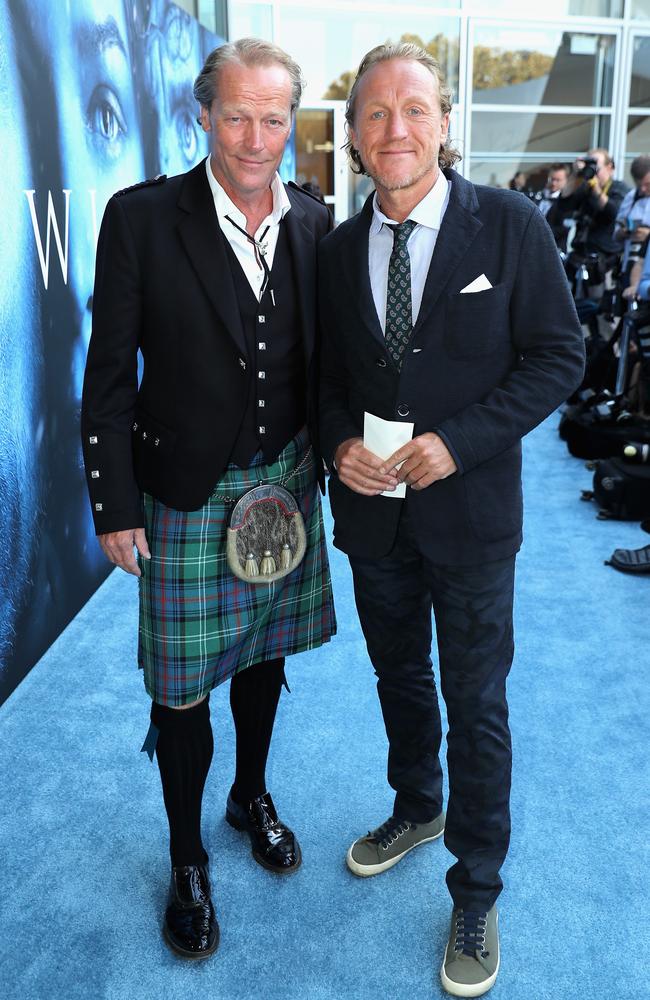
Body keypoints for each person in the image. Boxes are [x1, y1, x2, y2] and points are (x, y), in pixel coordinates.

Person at [319, 42, 584, 997]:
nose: (396, 127)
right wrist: (333, 447)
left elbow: (559, 357)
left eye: (414, 109)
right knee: (399, 675)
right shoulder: (339, 248)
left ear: (443, 123)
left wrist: (460, 442)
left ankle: (475, 887)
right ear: (353, 136)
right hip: (375, 521)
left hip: (471, 517)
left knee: (476, 702)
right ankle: (415, 805)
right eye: (375, 112)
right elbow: (328, 382)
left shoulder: (508, 225)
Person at [81, 38, 336, 960]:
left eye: (275, 118)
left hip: (288, 481)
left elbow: (325, 362)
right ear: (204, 116)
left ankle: (249, 793)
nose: (256, 137)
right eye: (237, 115)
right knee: (182, 688)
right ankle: (188, 856)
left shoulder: (315, 223)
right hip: (186, 490)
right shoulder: (142, 219)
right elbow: (107, 376)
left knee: (266, 656)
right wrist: (114, 503)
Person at [547, 147, 628, 261]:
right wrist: (576, 174)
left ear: (609, 168)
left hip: (606, 258)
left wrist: (595, 186)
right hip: (581, 254)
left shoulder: (619, 188)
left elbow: (612, 212)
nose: (593, 171)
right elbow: (564, 205)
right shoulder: (585, 188)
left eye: (596, 168)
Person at [614, 155, 650, 277]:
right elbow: (616, 235)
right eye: (639, 185)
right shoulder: (631, 196)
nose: (643, 190)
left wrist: (647, 236)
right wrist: (625, 232)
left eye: (647, 184)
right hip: (629, 266)